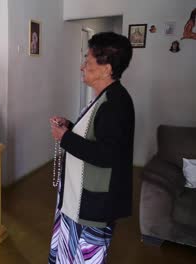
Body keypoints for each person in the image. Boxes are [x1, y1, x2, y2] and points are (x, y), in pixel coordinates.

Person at [48, 32, 134, 264]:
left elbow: (107, 154)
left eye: (87, 61)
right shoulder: (106, 96)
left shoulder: (115, 103)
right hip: (81, 199)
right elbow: (99, 135)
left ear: (106, 69)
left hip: (95, 206)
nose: (82, 67)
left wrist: (65, 138)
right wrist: (71, 127)